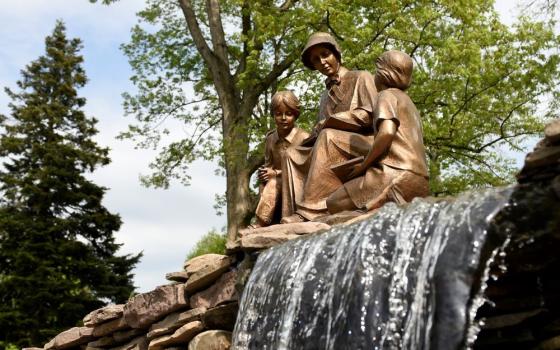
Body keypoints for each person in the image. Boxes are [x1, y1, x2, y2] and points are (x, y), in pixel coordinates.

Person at [281, 32, 378, 223]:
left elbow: (370, 115)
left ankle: (311, 211)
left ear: (336, 53)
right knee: (291, 153)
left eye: (325, 54)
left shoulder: (361, 77)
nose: (322, 62)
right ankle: (290, 214)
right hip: (333, 143)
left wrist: (332, 121)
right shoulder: (324, 97)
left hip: (364, 143)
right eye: (316, 60)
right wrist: (313, 133)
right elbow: (322, 128)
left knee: (327, 136)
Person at [326, 50, 429, 214]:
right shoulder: (409, 103)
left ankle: (384, 199)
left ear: (384, 73)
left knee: (333, 203)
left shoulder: (386, 95)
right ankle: (379, 204)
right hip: (420, 180)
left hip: (394, 174)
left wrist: (363, 166)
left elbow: (387, 132)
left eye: (377, 71)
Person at [252, 90, 309, 228]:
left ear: (295, 115)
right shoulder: (270, 139)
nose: (283, 118)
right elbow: (269, 163)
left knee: (273, 182)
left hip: (298, 182)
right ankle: (269, 219)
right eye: (278, 114)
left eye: (288, 114)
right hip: (275, 180)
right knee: (266, 181)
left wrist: (276, 174)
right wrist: (265, 172)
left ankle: (260, 223)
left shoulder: (304, 138)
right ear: (273, 116)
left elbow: (306, 170)